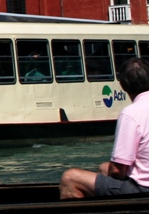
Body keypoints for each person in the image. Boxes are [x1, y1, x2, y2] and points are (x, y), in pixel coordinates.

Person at [60, 57, 149, 199]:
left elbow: (117, 170)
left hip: (143, 190)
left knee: (69, 178)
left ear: (123, 85)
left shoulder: (131, 113)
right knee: (103, 168)